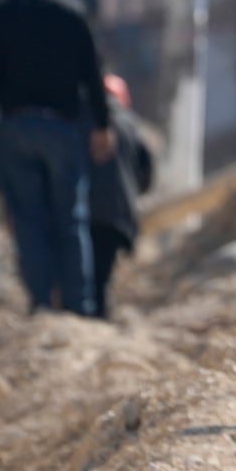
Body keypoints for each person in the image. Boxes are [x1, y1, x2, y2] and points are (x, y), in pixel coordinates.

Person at [0, 0, 114, 316]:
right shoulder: (71, 15)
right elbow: (93, 76)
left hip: (15, 131)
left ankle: (42, 308)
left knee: (28, 222)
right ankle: (81, 311)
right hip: (62, 130)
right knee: (70, 221)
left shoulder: (1, 17)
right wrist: (102, 125)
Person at [88, 73, 155, 319]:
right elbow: (146, 173)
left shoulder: (79, 120)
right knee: (102, 277)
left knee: (85, 277)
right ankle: (98, 320)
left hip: (83, 212)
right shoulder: (131, 125)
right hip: (118, 214)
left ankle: (88, 322)